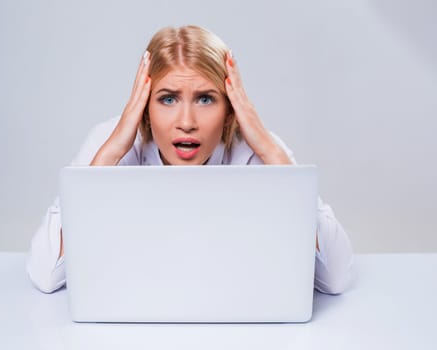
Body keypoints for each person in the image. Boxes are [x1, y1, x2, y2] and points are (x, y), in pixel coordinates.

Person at [27, 25, 353, 295]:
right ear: (144, 106)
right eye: (167, 99)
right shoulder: (109, 143)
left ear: (229, 109)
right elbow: (46, 273)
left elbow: (334, 277)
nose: (186, 121)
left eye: (206, 99)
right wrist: (109, 155)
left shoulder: (260, 151)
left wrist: (270, 149)